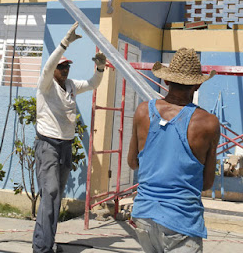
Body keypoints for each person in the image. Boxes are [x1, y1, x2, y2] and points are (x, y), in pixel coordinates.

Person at [128, 47, 220, 253]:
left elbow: (133, 163)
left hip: (143, 216)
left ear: (167, 80)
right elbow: (206, 183)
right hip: (181, 221)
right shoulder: (208, 123)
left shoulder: (143, 110)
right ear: (197, 85)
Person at [33, 22, 106, 253]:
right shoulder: (46, 85)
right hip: (48, 145)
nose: (65, 71)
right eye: (61, 67)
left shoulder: (72, 86)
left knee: (55, 197)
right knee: (50, 192)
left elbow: (94, 83)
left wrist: (100, 68)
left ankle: (48, 243)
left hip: (65, 147)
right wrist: (65, 42)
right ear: (55, 70)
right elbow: (48, 65)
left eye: (67, 68)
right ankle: (41, 247)